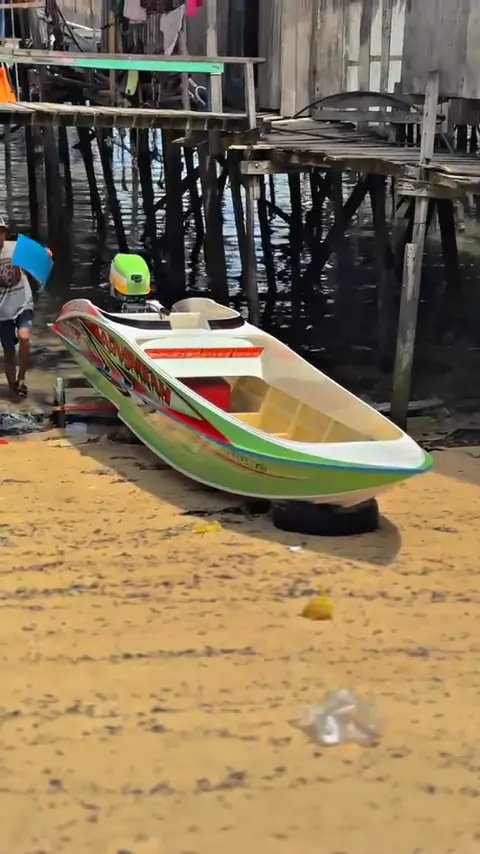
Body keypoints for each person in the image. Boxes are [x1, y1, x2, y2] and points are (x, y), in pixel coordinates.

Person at [0, 217, 34, 398]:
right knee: (8, 352)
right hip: (2, 311)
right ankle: (13, 387)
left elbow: (37, 256)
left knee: (24, 338)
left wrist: (46, 253)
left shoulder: (16, 247)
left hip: (22, 303)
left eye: (1, 231)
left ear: (5, 233)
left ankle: (21, 378)